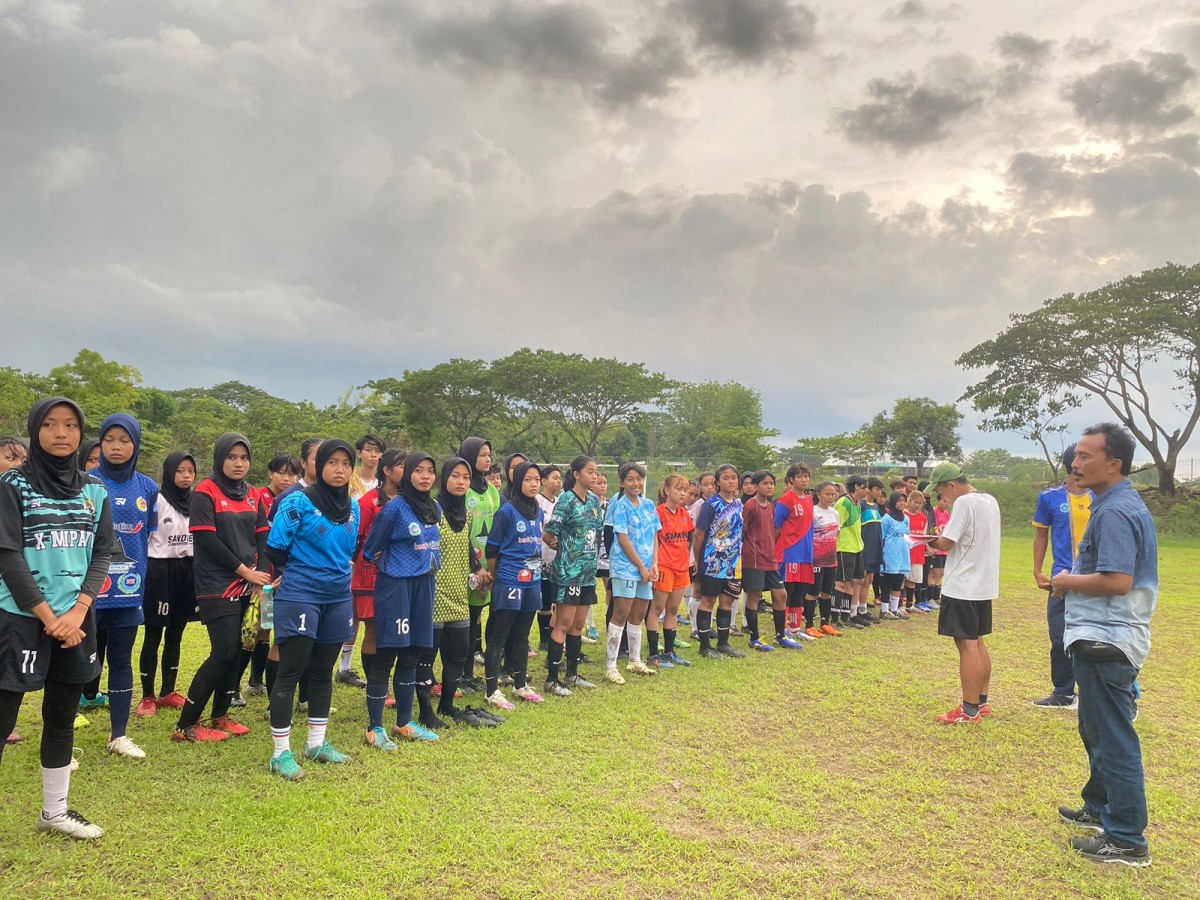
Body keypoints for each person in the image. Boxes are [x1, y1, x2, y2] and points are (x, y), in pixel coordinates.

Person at [0, 398, 115, 839]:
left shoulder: (94, 490)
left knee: (62, 716)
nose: (61, 433)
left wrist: (79, 611)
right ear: (35, 430)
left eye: (70, 425)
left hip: (76, 619)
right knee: (4, 715)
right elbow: (9, 557)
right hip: (21, 617)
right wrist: (49, 617)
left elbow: (102, 551)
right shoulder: (12, 485)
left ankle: (55, 812)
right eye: (49, 424)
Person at [1051, 423, 1156, 867]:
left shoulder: (1114, 511)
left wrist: (1064, 581)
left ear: (1114, 463)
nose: (1076, 463)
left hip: (1107, 638)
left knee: (1112, 736)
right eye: (1076, 455)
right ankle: (1099, 806)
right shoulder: (1114, 503)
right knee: (1096, 728)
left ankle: (1128, 839)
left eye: (1086, 456)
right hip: (1103, 636)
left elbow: (1117, 581)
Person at [263, 440, 359, 780]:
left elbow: (350, 548)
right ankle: (281, 753)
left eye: (346, 463)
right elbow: (275, 547)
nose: (339, 469)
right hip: (301, 593)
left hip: (338, 597)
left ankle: (316, 743)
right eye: (331, 462)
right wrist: (302, 571)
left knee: (322, 671)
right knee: (291, 671)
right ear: (317, 466)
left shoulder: (353, 507)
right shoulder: (297, 501)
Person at [172, 433, 268, 743]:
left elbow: (264, 537)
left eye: (244, 458)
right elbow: (207, 541)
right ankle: (185, 725)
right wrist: (245, 573)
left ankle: (220, 715)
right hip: (217, 584)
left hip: (252, 583)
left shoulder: (253, 494)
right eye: (232, 457)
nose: (239, 463)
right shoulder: (205, 491)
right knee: (223, 652)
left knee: (242, 650)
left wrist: (261, 577)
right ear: (219, 459)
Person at [85, 414, 158, 760]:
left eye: (124, 440)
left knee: (121, 659)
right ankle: (62, 739)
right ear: (100, 443)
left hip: (129, 590)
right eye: (109, 439)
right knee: (77, 663)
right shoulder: (85, 481)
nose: (116, 446)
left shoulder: (147, 487)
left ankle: (119, 734)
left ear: (136, 445)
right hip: (87, 591)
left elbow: (149, 535)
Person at [362, 452, 442, 749]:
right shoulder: (394, 508)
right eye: (418, 470)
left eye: (430, 471)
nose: (425, 476)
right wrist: (396, 564)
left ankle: (404, 723)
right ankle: (375, 728)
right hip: (396, 586)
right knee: (388, 654)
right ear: (406, 474)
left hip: (425, 585)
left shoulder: (435, 508)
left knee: (414, 652)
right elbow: (371, 550)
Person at [925, 463, 1001, 725]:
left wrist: (929, 541)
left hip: (963, 584)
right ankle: (981, 701)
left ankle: (969, 710)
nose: (943, 497)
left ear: (952, 485)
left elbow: (947, 542)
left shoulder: (964, 503)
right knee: (977, 641)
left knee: (966, 644)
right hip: (983, 582)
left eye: (942, 491)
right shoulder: (989, 500)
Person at [427, 457, 497, 726]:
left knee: (459, 650)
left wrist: (478, 569)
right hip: (434, 592)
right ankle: (424, 709)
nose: (461, 482)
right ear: (444, 478)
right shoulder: (432, 510)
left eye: (465, 478)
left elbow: (466, 545)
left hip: (458, 590)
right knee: (427, 654)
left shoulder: (466, 514)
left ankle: (446, 705)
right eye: (455, 476)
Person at [1032, 444, 1094, 709]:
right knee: (1059, 638)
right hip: (1061, 579)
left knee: (1096, 638)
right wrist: (1037, 570)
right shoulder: (1049, 497)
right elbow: (1041, 534)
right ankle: (1063, 692)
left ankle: (1105, 695)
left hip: (1095, 580)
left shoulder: (1101, 496)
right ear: (1073, 465)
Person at [137, 452, 197, 719]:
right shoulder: (156, 500)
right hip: (160, 570)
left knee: (177, 633)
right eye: (180, 471)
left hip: (188, 571)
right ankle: (147, 696)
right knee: (153, 635)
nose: (186, 476)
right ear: (169, 472)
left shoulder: (196, 501)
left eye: (190, 471)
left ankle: (168, 692)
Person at [484, 460, 547, 710]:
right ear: (517, 481)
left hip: (532, 581)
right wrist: (494, 574)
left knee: (522, 635)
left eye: (536, 479)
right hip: (509, 579)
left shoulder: (539, 511)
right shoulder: (507, 511)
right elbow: (492, 547)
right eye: (527, 479)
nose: (533, 484)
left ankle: (520, 685)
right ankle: (491, 690)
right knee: (500, 636)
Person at [542, 455, 603, 696]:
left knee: (578, 626)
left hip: (588, 574)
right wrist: (564, 549)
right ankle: (552, 679)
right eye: (590, 471)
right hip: (568, 574)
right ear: (576, 474)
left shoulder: (594, 502)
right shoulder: (567, 500)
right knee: (563, 624)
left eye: (596, 471)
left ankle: (572, 674)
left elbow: (596, 534)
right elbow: (549, 534)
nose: (594, 475)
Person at [353, 449, 404, 712]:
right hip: (370, 575)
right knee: (374, 630)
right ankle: (377, 689)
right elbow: (357, 539)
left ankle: (388, 685)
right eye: (403, 467)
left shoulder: (410, 500)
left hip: (400, 576)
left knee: (393, 631)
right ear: (387, 470)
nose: (409, 472)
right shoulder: (369, 502)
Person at [245, 453, 301, 696]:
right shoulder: (259, 497)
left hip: (282, 575)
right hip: (262, 573)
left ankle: (257, 681)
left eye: (291, 474)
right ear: (270, 473)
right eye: (282, 472)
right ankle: (246, 683)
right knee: (257, 628)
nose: (287, 478)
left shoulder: (298, 497)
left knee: (271, 627)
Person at [603, 462, 661, 684]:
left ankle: (635, 660)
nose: (635, 483)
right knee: (621, 614)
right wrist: (640, 566)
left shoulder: (648, 505)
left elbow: (655, 535)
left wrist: (654, 563)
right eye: (630, 479)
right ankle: (611, 666)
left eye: (639, 479)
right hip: (626, 567)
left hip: (647, 570)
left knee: (638, 615)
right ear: (622, 482)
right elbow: (622, 538)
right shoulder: (620, 505)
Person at [691, 464, 745, 660]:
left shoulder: (739, 504)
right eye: (726, 478)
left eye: (733, 477)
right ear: (717, 482)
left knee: (727, 602)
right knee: (708, 601)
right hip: (713, 561)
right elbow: (699, 535)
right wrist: (697, 560)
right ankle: (705, 646)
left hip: (733, 563)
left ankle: (723, 643)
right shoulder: (711, 505)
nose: (730, 481)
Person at [458, 437, 500, 685]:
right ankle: (463, 672)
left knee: (481, 615)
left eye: (489, 454)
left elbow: (496, 529)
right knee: (466, 620)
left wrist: (492, 566)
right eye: (482, 454)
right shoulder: (464, 488)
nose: (487, 459)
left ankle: (473, 670)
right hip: (467, 565)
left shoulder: (493, 490)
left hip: (489, 565)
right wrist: (476, 566)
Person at [741, 470, 795, 651]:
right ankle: (754, 637)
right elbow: (743, 530)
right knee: (754, 595)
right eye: (765, 483)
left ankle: (780, 635)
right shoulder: (750, 505)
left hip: (770, 559)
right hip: (754, 559)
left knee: (781, 594)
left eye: (772, 483)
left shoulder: (771, 506)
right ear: (756, 486)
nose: (769, 486)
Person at [1, 437, 29, 746]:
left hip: (14, 595)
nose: (17, 464)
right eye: (10, 457)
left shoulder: (26, 499)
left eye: (22, 459)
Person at [648, 474, 693, 669]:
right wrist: (655, 563)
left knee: (673, 609)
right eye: (679, 489)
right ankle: (653, 655)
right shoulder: (659, 512)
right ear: (667, 491)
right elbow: (653, 540)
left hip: (681, 567)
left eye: (685, 490)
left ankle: (669, 652)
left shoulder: (684, 513)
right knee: (657, 609)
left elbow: (688, 538)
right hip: (664, 566)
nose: (683, 493)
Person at [774, 463, 815, 643]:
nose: (803, 479)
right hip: (789, 552)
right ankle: (782, 630)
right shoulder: (785, 500)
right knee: (787, 592)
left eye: (806, 476)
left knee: (800, 591)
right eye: (799, 476)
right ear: (791, 479)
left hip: (805, 553)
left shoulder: (809, 500)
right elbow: (776, 527)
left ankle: (795, 628)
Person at [804, 481, 841, 638]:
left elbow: (836, 534)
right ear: (818, 494)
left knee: (827, 592)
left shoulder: (834, 513)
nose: (831, 497)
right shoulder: (812, 511)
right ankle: (809, 625)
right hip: (816, 559)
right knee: (813, 592)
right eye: (827, 493)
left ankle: (825, 623)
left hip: (831, 559)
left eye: (833, 494)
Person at [833, 475, 870, 628]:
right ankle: (834, 618)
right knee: (841, 583)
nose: (866, 490)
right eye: (864, 487)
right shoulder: (843, 503)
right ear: (856, 487)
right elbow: (835, 527)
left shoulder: (858, 504)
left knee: (855, 581)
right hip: (844, 548)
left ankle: (846, 615)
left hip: (856, 548)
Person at [534, 464, 562, 654]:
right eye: (554, 477)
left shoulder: (560, 502)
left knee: (555, 600)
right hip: (540, 558)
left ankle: (553, 637)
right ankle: (543, 639)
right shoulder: (537, 501)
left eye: (560, 478)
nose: (558, 481)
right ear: (544, 481)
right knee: (542, 603)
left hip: (556, 559)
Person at [878, 492, 911, 620]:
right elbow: (881, 537)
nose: (902, 503)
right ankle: (884, 610)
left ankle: (894, 608)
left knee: (898, 582)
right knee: (887, 582)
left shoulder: (906, 518)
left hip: (903, 554)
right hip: (890, 554)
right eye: (899, 500)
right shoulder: (886, 519)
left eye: (904, 500)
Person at [903, 489, 929, 614]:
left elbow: (923, 537)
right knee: (902, 578)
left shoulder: (923, 518)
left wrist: (928, 548)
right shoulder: (903, 515)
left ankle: (909, 604)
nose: (917, 505)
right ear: (909, 500)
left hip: (918, 552)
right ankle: (899, 605)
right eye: (915, 502)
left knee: (913, 579)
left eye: (920, 503)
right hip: (905, 551)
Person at [349, 434, 386, 500]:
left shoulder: (384, 482)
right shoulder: (349, 477)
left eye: (377, 451)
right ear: (359, 453)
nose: (373, 455)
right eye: (368, 450)